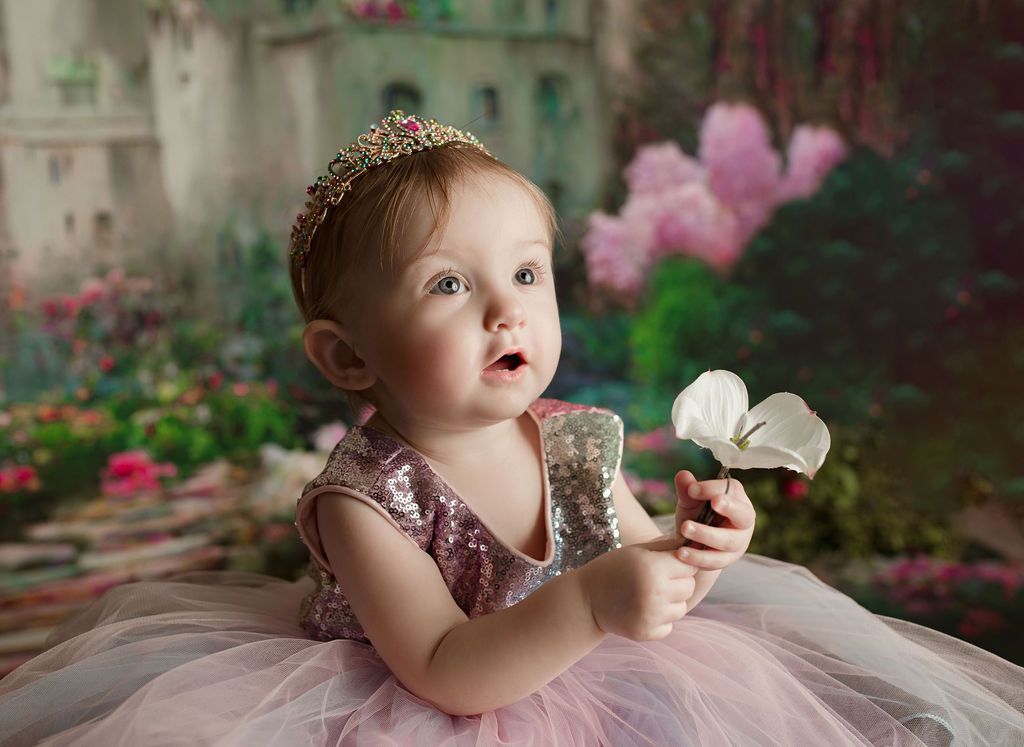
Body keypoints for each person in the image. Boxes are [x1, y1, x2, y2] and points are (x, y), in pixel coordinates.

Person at [1, 110, 1022, 746]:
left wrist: (699, 552)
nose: (508, 311)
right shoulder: (366, 497)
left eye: (526, 274)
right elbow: (445, 673)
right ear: (348, 358)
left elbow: (638, 587)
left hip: (593, 688)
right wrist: (589, 605)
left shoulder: (575, 439)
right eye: (449, 285)